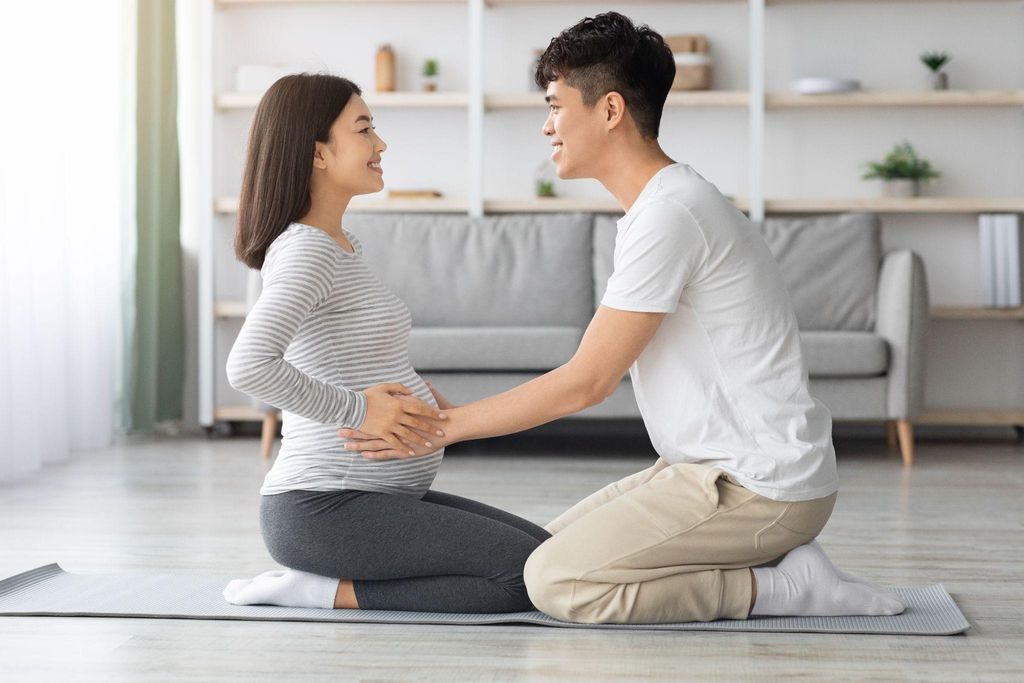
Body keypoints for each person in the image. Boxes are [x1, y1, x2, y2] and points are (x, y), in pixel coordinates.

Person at [339, 13, 907, 624]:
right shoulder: (660, 208)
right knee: (532, 560)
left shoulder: (672, 214)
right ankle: (771, 570)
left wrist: (439, 427)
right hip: (706, 474)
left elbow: (589, 380)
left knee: (554, 582)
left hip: (760, 487)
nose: (547, 125)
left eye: (556, 106)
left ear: (610, 110)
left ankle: (783, 590)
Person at [221, 73, 551, 613]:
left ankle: (325, 586)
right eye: (364, 129)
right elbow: (250, 365)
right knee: (527, 580)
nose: (381, 144)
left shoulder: (340, 243)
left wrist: (426, 404)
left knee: (546, 558)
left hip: (364, 499)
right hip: (323, 507)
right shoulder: (308, 251)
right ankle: (320, 592)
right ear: (318, 154)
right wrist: (360, 411)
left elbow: (355, 354)